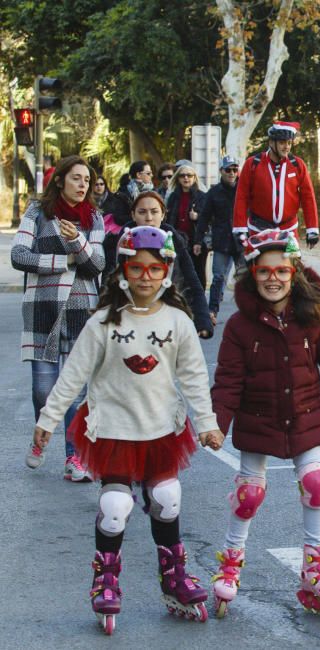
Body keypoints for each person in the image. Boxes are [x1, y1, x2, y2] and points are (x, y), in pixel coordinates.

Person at [32, 226, 223, 632]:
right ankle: (106, 581)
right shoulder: (103, 321)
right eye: (136, 268)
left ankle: (173, 576)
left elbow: (192, 377)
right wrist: (48, 419)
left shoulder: (178, 321)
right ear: (122, 270)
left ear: (166, 270)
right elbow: (73, 375)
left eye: (154, 269)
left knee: (167, 498)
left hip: (160, 429)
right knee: (115, 507)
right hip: (114, 429)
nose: (145, 277)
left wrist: (206, 424)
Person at [208, 229, 320, 618]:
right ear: (252, 274)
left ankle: (315, 564)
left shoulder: (311, 318)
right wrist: (216, 423)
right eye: (264, 271)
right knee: (249, 494)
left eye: (282, 271)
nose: (273, 279)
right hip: (258, 419)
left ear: (294, 273)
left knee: (316, 484)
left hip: (304, 417)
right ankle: (231, 560)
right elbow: (228, 381)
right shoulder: (240, 326)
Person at [13, 155, 105, 481]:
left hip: (82, 310)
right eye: (76, 178)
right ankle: (43, 432)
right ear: (60, 180)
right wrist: (62, 262)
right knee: (43, 390)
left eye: (87, 180)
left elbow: (96, 265)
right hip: (43, 308)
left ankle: (74, 457)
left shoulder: (93, 217)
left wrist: (78, 242)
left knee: (75, 391)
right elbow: (18, 255)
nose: (82, 185)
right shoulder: (38, 212)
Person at [107, 192, 214, 337]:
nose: (149, 218)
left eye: (154, 212)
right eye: (142, 212)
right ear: (133, 215)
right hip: (130, 313)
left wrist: (202, 320)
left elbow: (192, 280)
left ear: (163, 215)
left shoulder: (173, 239)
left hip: (168, 310)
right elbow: (111, 280)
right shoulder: (124, 240)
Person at [233, 121, 319, 248]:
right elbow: (241, 197)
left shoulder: (297, 165)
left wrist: (312, 230)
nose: (287, 147)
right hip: (258, 229)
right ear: (271, 143)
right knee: (254, 265)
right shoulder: (252, 164)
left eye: (289, 143)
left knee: (294, 264)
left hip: (289, 231)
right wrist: (240, 228)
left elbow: (308, 198)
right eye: (282, 142)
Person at [195, 156, 241, 323]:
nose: (232, 173)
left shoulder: (245, 188)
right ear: (221, 171)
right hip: (222, 241)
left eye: (235, 169)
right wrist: (198, 241)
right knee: (218, 277)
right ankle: (212, 310)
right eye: (228, 170)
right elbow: (204, 217)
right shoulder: (214, 192)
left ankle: (248, 311)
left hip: (242, 240)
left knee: (244, 278)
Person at [165, 162, 208, 288]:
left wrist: (197, 217)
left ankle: (200, 302)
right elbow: (168, 219)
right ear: (177, 178)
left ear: (194, 178)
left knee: (198, 273)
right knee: (178, 273)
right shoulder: (173, 197)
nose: (186, 178)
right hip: (177, 241)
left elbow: (209, 219)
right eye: (182, 175)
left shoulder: (202, 196)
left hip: (196, 241)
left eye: (189, 175)